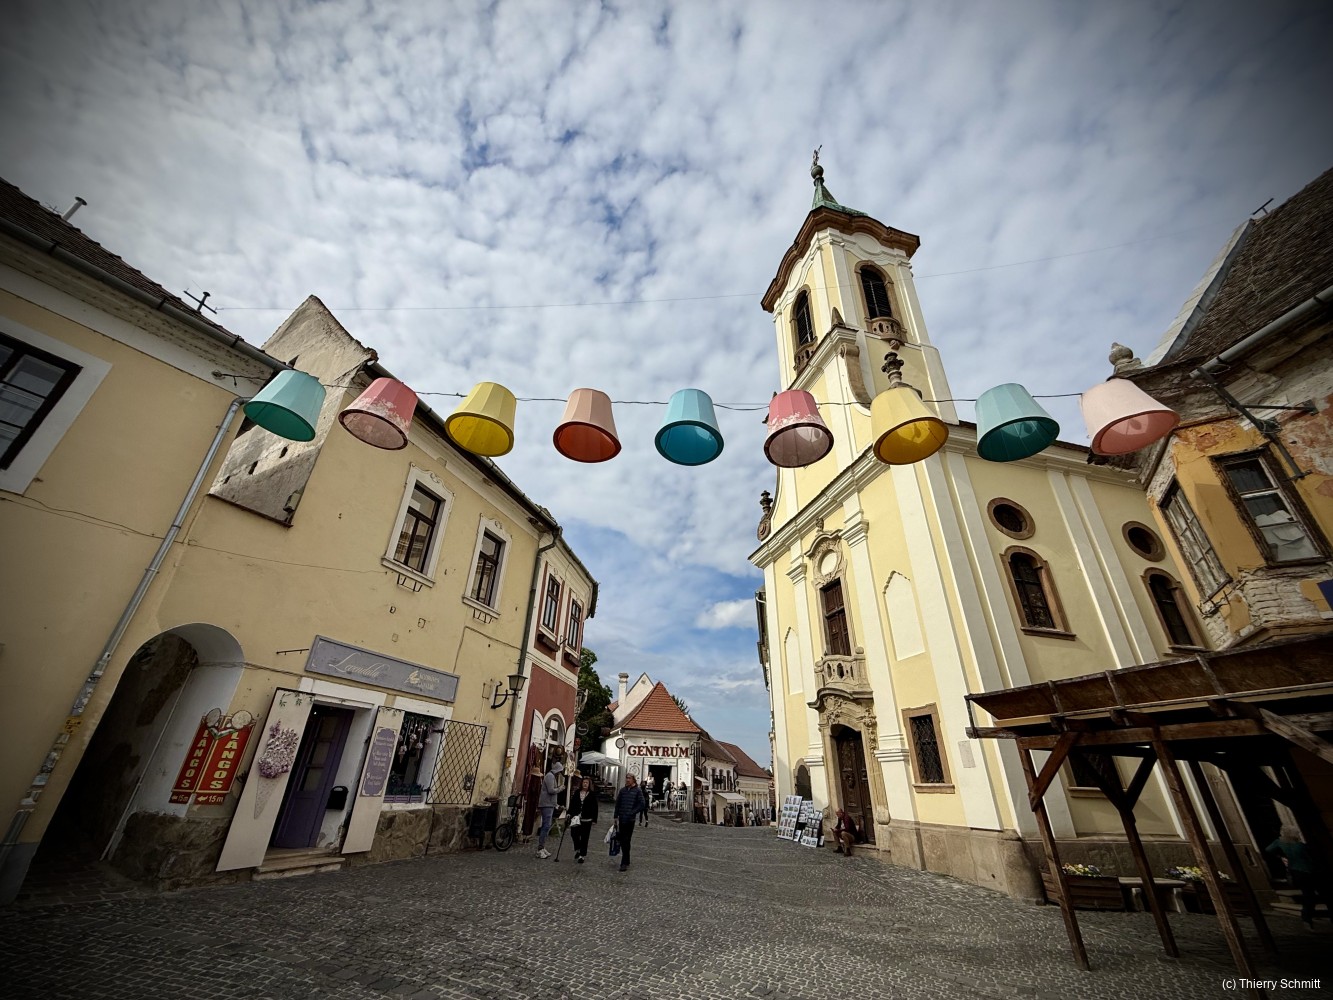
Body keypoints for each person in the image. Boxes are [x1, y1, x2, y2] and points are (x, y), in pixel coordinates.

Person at [1266, 824, 1326, 930]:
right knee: (1315, 895)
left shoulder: (1280, 842)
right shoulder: (1300, 845)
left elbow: (1269, 850)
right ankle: (1307, 919)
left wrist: (1281, 856)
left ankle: (1307, 919)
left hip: (1298, 872)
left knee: (1309, 896)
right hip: (1308, 871)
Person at [614, 773, 647, 872]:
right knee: (623, 840)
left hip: (630, 820)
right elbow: (618, 804)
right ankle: (626, 859)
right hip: (622, 818)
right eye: (626, 778)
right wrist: (615, 816)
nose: (627, 780)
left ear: (633, 780)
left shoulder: (637, 791)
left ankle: (624, 862)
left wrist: (632, 812)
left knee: (626, 840)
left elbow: (642, 804)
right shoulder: (622, 791)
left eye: (629, 778)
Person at [535, 759, 563, 859]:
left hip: (549, 804)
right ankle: (540, 849)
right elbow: (551, 790)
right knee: (546, 826)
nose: (560, 773)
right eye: (559, 771)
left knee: (547, 826)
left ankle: (542, 847)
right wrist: (560, 788)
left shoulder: (551, 776)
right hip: (547, 804)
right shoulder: (550, 776)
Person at [568, 775, 598, 863]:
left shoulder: (592, 794)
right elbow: (572, 804)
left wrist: (594, 819)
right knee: (574, 834)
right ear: (581, 783)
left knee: (585, 837)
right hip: (576, 818)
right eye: (584, 782)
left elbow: (595, 807)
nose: (585, 784)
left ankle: (582, 855)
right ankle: (578, 849)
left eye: (587, 783)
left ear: (589, 784)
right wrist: (569, 813)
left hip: (587, 819)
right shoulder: (577, 792)